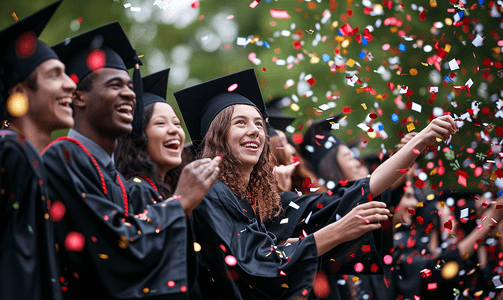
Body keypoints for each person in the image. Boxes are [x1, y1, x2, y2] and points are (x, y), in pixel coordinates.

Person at [174, 68, 456, 299]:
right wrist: (336, 232)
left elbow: (358, 191)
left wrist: (421, 140)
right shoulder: (211, 194)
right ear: (217, 136)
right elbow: (259, 264)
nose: (254, 131)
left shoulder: (271, 203)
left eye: (260, 124)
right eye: (240, 123)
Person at [42, 22, 218, 299]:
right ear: (78, 97)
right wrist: (179, 202)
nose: (130, 94)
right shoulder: (63, 156)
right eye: (115, 85)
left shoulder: (113, 177)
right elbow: (110, 248)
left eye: (129, 85)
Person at [0, 1, 77, 299]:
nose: (71, 85)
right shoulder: (12, 152)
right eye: (54, 75)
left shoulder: (28, 157)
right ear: (19, 94)